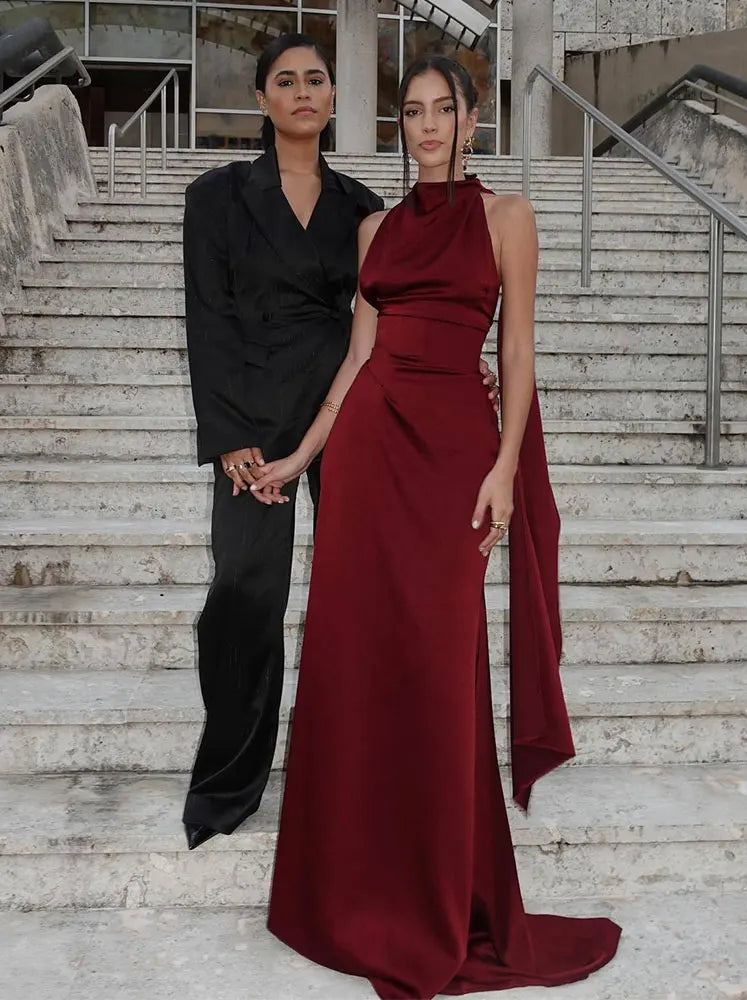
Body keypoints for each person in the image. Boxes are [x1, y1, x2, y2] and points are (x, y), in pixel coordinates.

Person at [259, 55, 622, 997]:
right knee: (357, 658)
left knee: (439, 661)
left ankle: (439, 888)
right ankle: (356, 888)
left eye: (441, 110)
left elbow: (518, 347)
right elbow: (356, 361)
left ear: (471, 119)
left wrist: (503, 467)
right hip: (373, 456)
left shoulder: (508, 217)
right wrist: (303, 458)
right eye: (411, 112)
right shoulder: (374, 227)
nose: (425, 126)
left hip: (457, 456)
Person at [182, 35, 498, 850]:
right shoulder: (215, 197)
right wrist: (228, 437)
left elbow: (404, 313)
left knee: (362, 602)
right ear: (261, 99)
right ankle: (229, 781)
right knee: (245, 594)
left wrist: (464, 372)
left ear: (332, 98)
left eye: (315, 80)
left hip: (361, 417)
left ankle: (359, 780)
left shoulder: (364, 208)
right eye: (284, 81)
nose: (301, 92)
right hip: (254, 421)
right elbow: (208, 323)